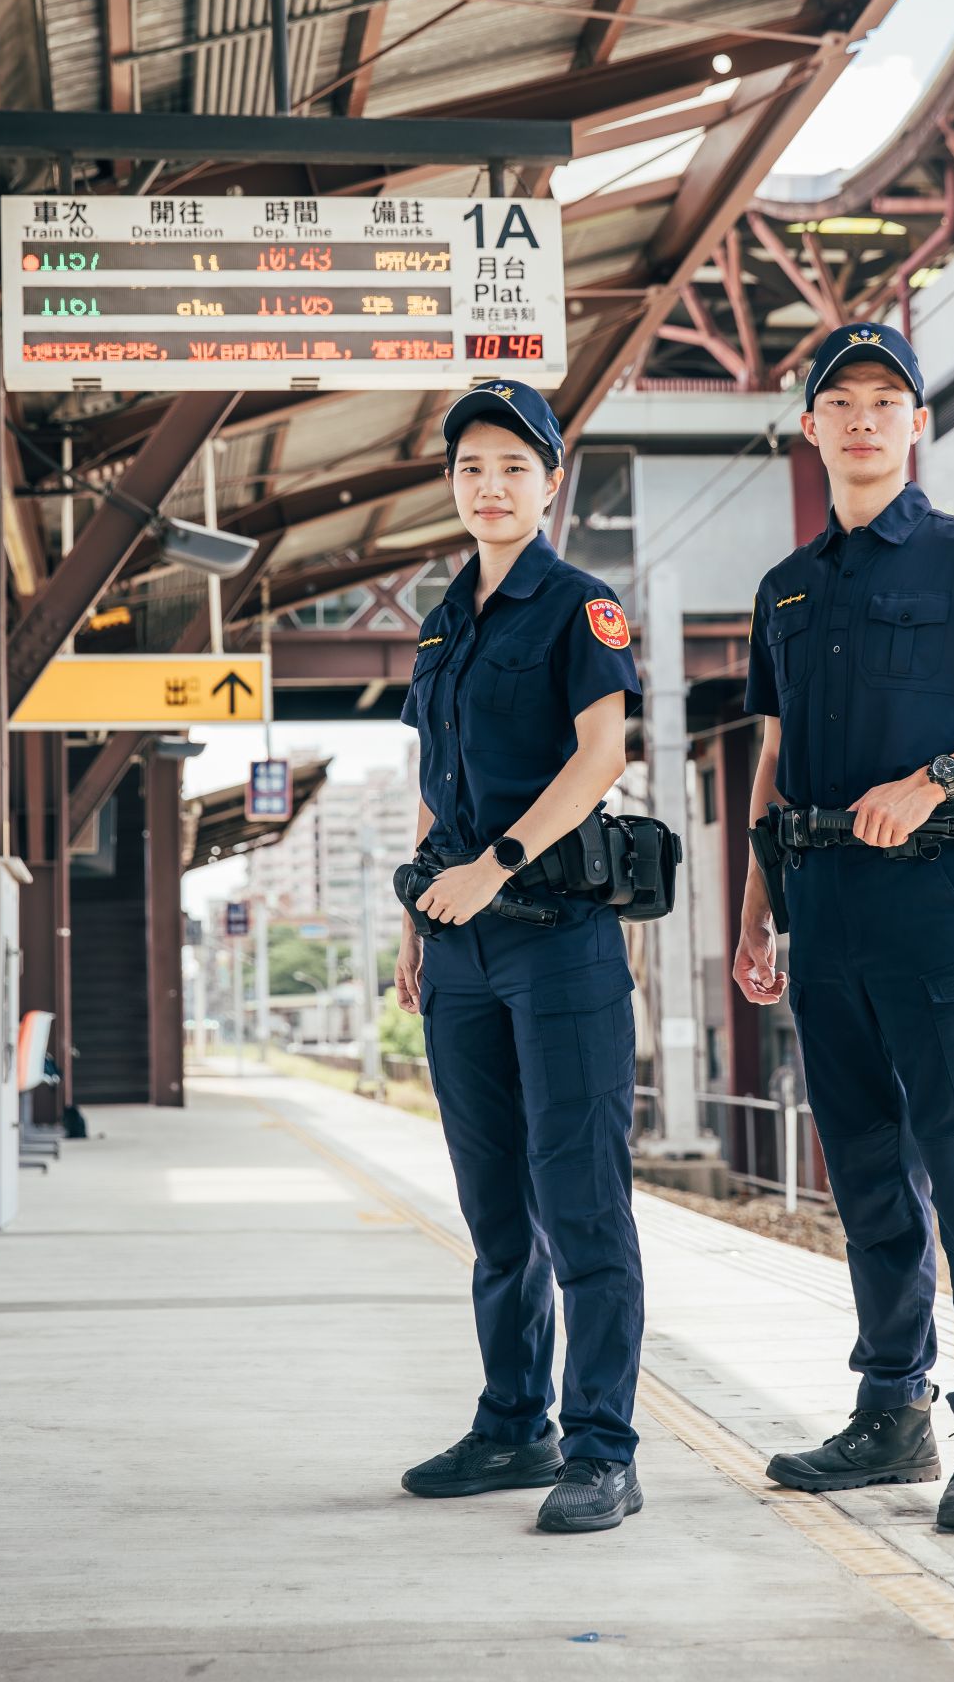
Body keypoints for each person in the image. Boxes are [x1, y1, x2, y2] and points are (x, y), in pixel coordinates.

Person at [734, 322, 954, 1532]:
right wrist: (758, 913)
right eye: (839, 400)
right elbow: (773, 763)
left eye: (885, 399)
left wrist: (939, 777)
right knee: (871, 1182)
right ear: (810, 427)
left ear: (913, 423)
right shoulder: (783, 587)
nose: (862, 418)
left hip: (941, 912)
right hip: (824, 917)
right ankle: (893, 1412)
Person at [395, 376, 646, 1535]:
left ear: (550, 480)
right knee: (495, 1209)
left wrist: (495, 862)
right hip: (459, 957)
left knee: (582, 1205)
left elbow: (602, 754)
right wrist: (416, 920)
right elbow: (427, 793)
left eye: (511, 466)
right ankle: (512, 1424)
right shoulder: (442, 624)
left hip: (559, 944)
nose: (488, 486)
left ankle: (602, 1449)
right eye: (468, 468)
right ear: (452, 488)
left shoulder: (578, 605)